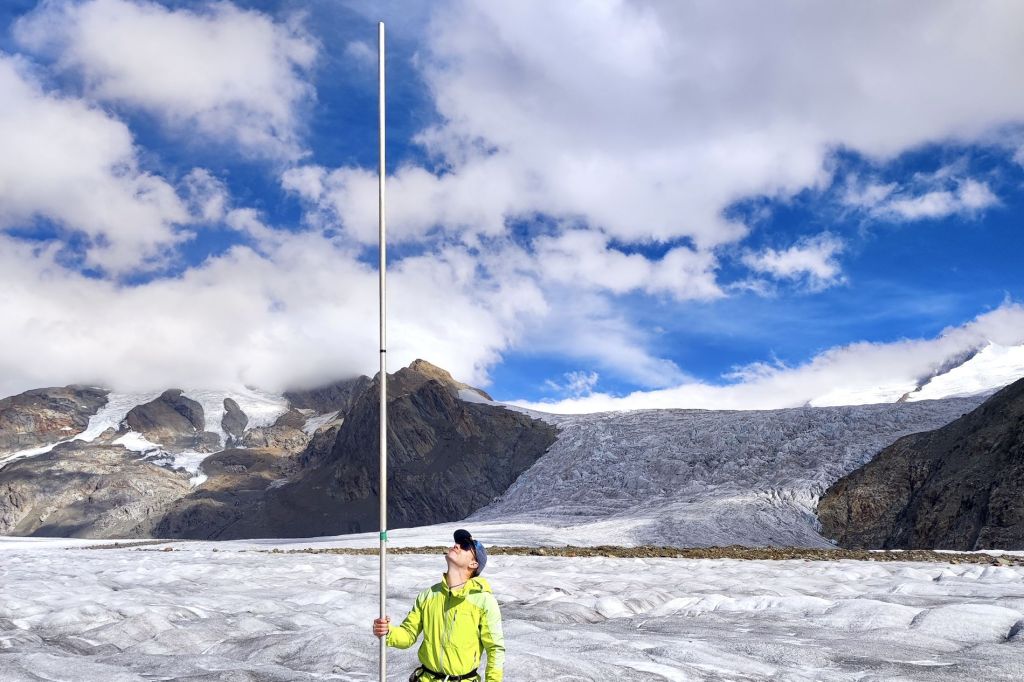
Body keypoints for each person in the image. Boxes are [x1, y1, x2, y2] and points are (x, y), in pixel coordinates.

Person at [373, 529, 505, 681]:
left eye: (465, 546)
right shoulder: (428, 595)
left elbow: (495, 649)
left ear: (473, 563)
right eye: (457, 542)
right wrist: (388, 632)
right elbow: (408, 635)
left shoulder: (483, 601)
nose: (457, 545)